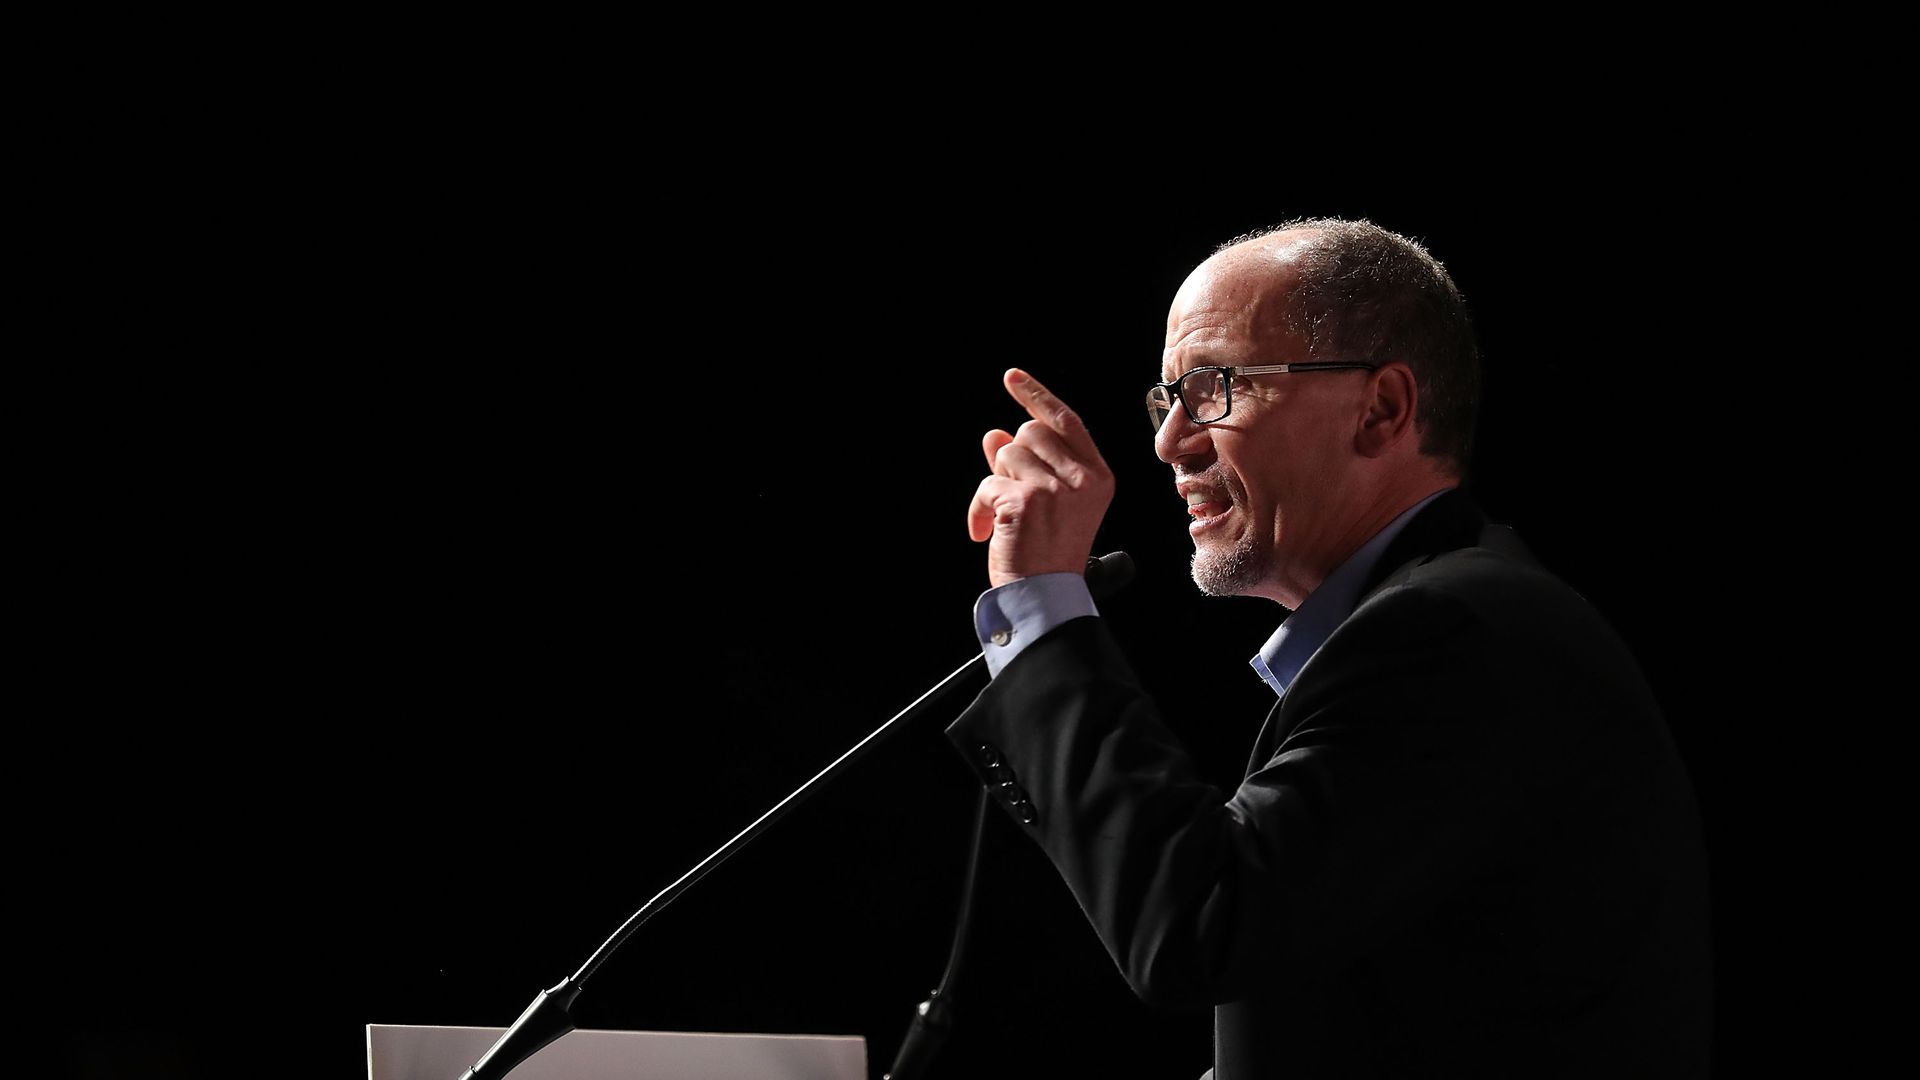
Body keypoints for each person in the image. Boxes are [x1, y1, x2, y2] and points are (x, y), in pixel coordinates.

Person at [949, 219, 1711, 1078]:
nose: (1169, 443)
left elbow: (1201, 923)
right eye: (1168, 400)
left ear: (1381, 408)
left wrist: (1044, 604)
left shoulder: (1460, 635)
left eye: (1213, 387)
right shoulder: (1433, 631)